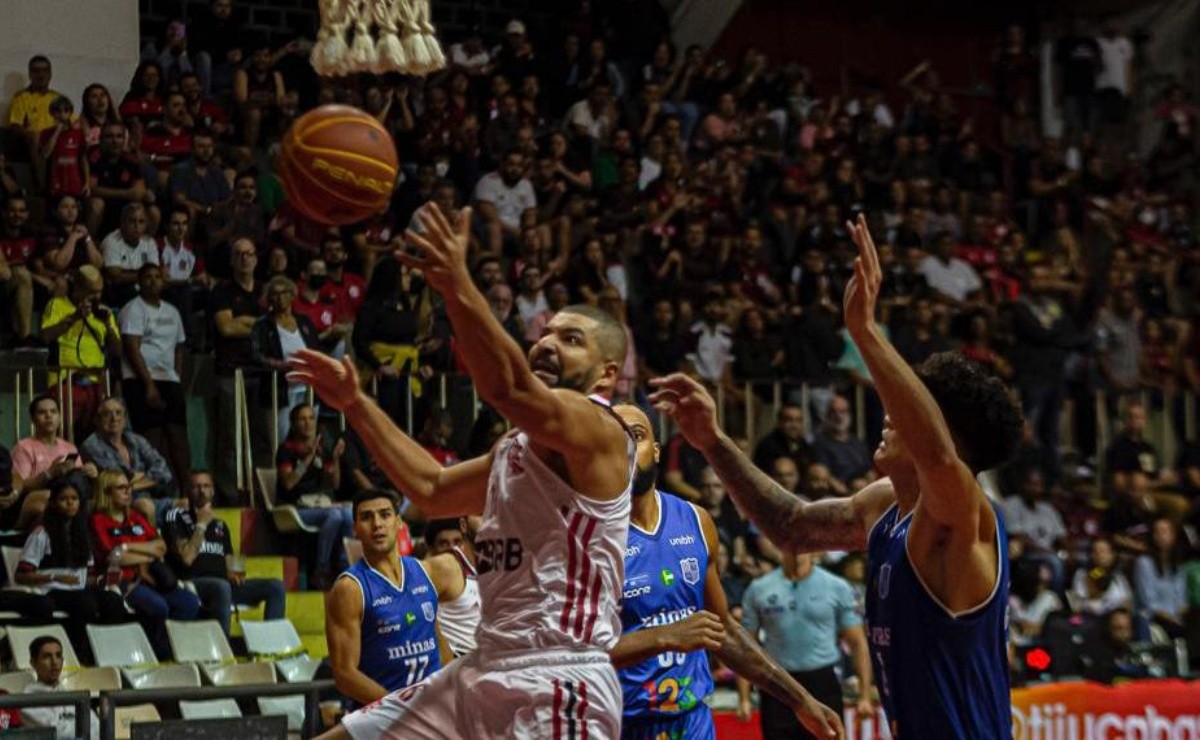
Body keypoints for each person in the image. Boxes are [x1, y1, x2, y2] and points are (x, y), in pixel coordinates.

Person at [649, 215, 1024, 737]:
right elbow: (791, 526)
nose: (889, 414)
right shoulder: (885, 506)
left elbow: (940, 459)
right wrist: (713, 441)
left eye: (908, 405)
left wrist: (866, 334)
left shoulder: (965, 518)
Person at [296, 202, 635, 739]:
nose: (547, 342)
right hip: (483, 663)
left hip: (557, 674)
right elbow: (430, 490)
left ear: (607, 373)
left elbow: (508, 388)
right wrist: (356, 404)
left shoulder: (600, 429)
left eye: (571, 340)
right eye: (546, 332)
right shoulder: (514, 448)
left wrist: (456, 286)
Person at [608, 404, 841, 740]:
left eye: (637, 436)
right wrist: (662, 637)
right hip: (621, 725)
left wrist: (801, 699)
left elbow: (725, 633)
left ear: (656, 452)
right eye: (614, 439)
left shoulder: (696, 521)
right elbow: (569, 656)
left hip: (693, 723)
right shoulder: (587, 538)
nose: (626, 446)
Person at [326, 490, 465, 707]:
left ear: (399, 522)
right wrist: (399, 707)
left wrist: (447, 688)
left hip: (431, 709)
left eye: (385, 515)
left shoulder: (426, 572)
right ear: (355, 530)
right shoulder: (349, 589)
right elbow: (345, 674)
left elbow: (435, 637)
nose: (377, 524)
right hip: (383, 717)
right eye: (366, 517)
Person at [740, 549, 874, 739]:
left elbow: (858, 642)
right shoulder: (759, 588)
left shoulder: (836, 586)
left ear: (814, 551)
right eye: (791, 545)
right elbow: (746, 645)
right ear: (779, 547)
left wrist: (865, 695)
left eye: (803, 546)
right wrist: (744, 697)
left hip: (822, 683)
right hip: (778, 685)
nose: (797, 552)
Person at [14, 480, 129, 664]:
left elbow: (89, 578)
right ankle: (81, 656)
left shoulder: (83, 535)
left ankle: (108, 654)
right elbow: (21, 576)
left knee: (113, 601)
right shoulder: (41, 533)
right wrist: (55, 576)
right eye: (64, 499)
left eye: (74, 499)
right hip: (52, 590)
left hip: (80, 590)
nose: (70, 503)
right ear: (53, 503)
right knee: (85, 605)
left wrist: (105, 578)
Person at [90, 469, 201, 659]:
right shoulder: (98, 521)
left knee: (188, 603)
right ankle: (157, 655)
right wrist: (145, 553)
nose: (128, 492)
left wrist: (127, 546)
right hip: (122, 580)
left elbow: (161, 546)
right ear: (107, 492)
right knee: (158, 607)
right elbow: (114, 557)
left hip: (154, 577)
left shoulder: (136, 517)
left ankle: (172, 648)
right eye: (121, 488)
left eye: (129, 487)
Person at [162, 470, 286, 635]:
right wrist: (201, 525)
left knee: (275, 587)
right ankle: (224, 647)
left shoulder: (221, 525)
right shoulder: (176, 517)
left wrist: (234, 574)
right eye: (196, 487)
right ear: (188, 491)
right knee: (221, 587)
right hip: (191, 583)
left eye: (206, 486)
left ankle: (273, 645)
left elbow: (230, 563)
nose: (202, 491)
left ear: (213, 491)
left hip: (223, 585)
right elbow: (187, 558)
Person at [119, 264, 189, 481]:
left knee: (177, 435)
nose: (153, 281)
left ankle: (185, 489)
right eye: (147, 277)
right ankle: (151, 488)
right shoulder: (133, 309)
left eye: (157, 276)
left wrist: (176, 376)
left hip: (168, 379)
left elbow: (179, 347)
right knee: (151, 435)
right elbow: (132, 348)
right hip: (139, 380)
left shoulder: (172, 311)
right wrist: (149, 385)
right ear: (139, 281)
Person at [39, 265, 122, 442]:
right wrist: (74, 318)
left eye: (99, 292)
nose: (97, 297)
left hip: (96, 382)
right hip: (65, 379)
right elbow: (46, 337)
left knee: (97, 437)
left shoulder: (104, 313)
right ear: (78, 288)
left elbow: (118, 351)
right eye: (92, 292)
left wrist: (108, 324)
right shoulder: (58, 304)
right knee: (63, 433)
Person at [275, 403, 351, 588]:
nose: (308, 423)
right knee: (334, 516)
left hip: (319, 504)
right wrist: (308, 458)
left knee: (348, 513)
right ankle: (321, 571)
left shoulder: (321, 448)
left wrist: (334, 459)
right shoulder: (286, 450)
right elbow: (289, 482)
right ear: (293, 424)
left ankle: (345, 567)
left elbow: (334, 484)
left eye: (311, 418)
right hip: (294, 508)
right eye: (302, 419)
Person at [80, 396, 175, 525]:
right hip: (114, 502)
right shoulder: (91, 445)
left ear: (125, 419)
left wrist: (135, 482)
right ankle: (153, 544)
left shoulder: (136, 440)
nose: (114, 418)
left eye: (118, 413)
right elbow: (117, 478)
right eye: (107, 414)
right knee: (146, 507)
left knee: (186, 505)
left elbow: (164, 471)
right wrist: (143, 476)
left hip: (148, 496)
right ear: (97, 420)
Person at [9, 395, 96, 530]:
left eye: (53, 411)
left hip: (68, 497)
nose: (49, 416)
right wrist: (50, 473)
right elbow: (21, 485)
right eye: (42, 412)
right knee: (53, 498)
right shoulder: (24, 447)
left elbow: (78, 479)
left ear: (60, 417)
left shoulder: (69, 447)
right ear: (33, 419)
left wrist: (90, 471)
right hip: (36, 497)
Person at [252, 275, 320, 439]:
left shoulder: (304, 321)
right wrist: (280, 365)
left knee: (308, 437)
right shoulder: (262, 325)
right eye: (274, 294)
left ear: (292, 295)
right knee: (281, 438)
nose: (280, 297)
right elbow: (256, 355)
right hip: (280, 390)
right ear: (269, 299)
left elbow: (317, 350)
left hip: (307, 389)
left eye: (284, 293)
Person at [422, 518, 482, 658]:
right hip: (458, 659)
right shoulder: (429, 577)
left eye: (457, 542)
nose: (453, 549)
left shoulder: (475, 570)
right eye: (444, 543)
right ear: (431, 548)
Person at [21, 635, 101, 739]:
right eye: (47, 656)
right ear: (33, 663)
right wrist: (83, 728)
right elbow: (58, 734)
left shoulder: (73, 696)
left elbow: (97, 728)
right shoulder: (27, 701)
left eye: (58, 656)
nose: (54, 662)